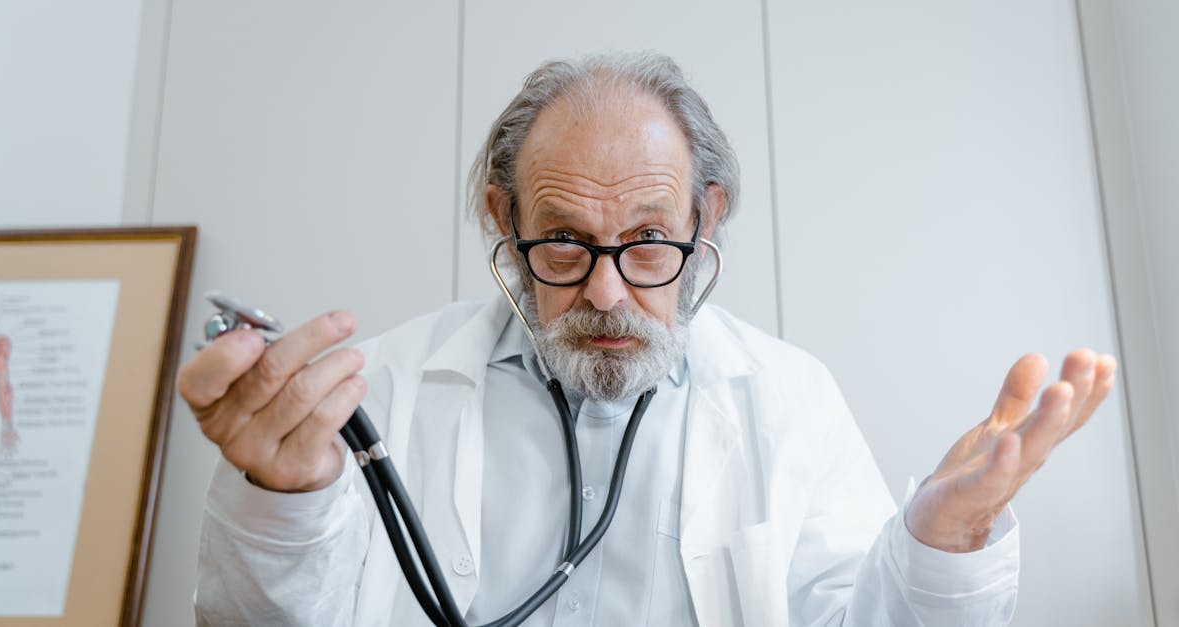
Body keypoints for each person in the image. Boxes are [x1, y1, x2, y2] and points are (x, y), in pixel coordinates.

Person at [180, 53, 1117, 626]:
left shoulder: (788, 399)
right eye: (562, 241)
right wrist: (282, 500)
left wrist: (944, 545)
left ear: (706, 218)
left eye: (648, 241)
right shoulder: (377, 387)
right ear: (501, 217)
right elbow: (257, 622)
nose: (604, 288)